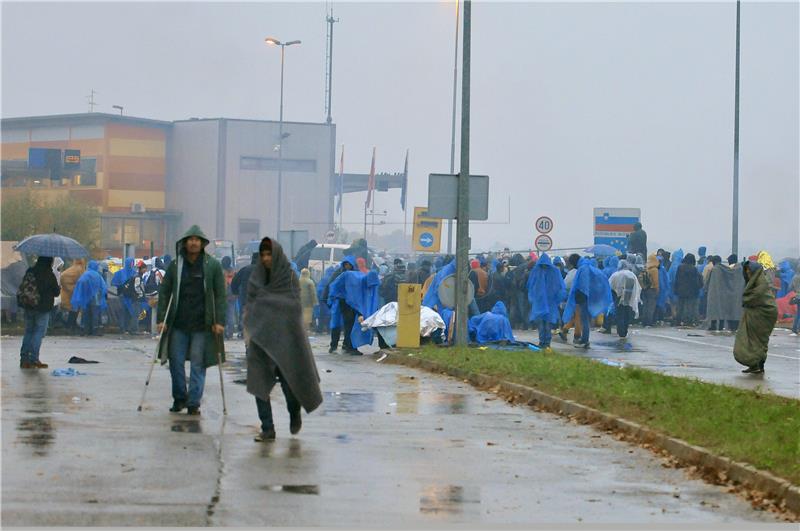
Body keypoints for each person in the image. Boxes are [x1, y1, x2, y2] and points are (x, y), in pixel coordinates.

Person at [243, 237, 323, 441]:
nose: (266, 258)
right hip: (260, 340)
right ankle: (267, 428)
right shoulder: (256, 277)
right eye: (263, 255)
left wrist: (272, 308)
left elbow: (294, 306)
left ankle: (294, 414)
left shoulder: (288, 277)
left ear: (276, 255)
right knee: (259, 386)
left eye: (269, 254)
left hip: (286, 340)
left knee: (290, 386)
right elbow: (251, 304)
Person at [156, 225, 226, 416]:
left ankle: (194, 402)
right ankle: (180, 398)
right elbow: (165, 292)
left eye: (197, 239)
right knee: (175, 362)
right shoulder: (175, 265)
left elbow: (220, 294)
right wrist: (162, 318)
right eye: (190, 239)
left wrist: (220, 320)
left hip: (202, 325)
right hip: (178, 323)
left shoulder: (212, 265)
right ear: (185, 242)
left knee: (198, 363)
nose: (194, 242)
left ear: (202, 243)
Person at [734, 260, 778, 374]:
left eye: (749, 270)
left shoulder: (761, 283)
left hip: (764, 313)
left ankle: (758, 364)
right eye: (746, 271)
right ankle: (754, 364)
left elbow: (754, 297)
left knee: (758, 340)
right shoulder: (753, 283)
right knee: (754, 340)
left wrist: (746, 299)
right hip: (757, 313)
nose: (748, 273)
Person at [17, 256, 61, 369]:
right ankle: (34, 359)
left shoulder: (30, 270)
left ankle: (24, 359)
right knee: (38, 333)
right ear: (49, 262)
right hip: (43, 308)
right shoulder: (49, 274)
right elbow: (56, 292)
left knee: (29, 331)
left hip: (29, 306)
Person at [560, 256, 612, 349]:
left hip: (584, 298)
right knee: (584, 320)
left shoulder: (583, 269)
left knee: (584, 320)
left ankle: (584, 340)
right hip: (591, 298)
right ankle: (583, 339)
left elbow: (580, 285)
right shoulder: (590, 268)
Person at [527, 253, 566, 350]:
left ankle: (546, 341)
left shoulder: (543, 271)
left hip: (547, 301)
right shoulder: (538, 271)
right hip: (544, 301)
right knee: (542, 322)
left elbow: (530, 285)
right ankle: (543, 341)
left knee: (546, 322)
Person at [323, 256, 356, 353]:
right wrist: (328, 300)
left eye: (349, 265)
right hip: (339, 302)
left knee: (349, 325)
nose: (347, 266)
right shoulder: (338, 273)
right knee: (336, 324)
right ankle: (333, 345)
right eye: (346, 264)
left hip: (349, 303)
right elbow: (330, 286)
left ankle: (347, 344)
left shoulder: (354, 274)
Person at [705, 256, 744, 332]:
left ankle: (715, 325)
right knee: (733, 310)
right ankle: (727, 326)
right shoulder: (740, 269)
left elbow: (707, 282)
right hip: (735, 294)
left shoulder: (716, 270)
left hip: (716, 293)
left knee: (716, 309)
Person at [71, 260, 108, 336]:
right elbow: (103, 287)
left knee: (86, 314)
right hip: (96, 299)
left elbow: (80, 283)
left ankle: (85, 330)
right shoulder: (98, 275)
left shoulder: (85, 274)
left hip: (86, 299)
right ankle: (94, 330)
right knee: (95, 315)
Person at [609, 260, 642, 340]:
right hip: (630, 298)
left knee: (620, 314)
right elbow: (638, 287)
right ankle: (625, 331)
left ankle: (621, 332)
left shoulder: (616, 275)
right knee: (627, 314)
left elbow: (610, 285)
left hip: (618, 297)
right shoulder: (632, 274)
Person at [231, 252, 259, 337]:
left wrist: (235, 292)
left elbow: (234, 282)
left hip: (246, 300)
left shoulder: (245, 269)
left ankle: (247, 340)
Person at [112, 258, 141, 334]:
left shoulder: (119, 273)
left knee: (124, 313)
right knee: (130, 313)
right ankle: (129, 328)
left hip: (124, 296)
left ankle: (123, 328)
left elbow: (114, 284)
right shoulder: (134, 273)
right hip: (130, 297)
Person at [673, 253, 703, 326]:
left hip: (681, 290)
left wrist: (676, 289)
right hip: (691, 291)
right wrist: (697, 289)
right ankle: (687, 321)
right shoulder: (694, 269)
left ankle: (678, 320)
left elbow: (676, 279)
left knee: (680, 307)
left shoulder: (680, 267)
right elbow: (696, 281)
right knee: (689, 307)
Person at [59, 258, 85, 335]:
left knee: (73, 309)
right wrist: (75, 288)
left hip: (68, 292)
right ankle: (70, 325)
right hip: (73, 293)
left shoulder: (73, 268)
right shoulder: (79, 269)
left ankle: (71, 325)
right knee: (74, 310)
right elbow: (81, 280)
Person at [639, 253, 660, 326]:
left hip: (645, 289)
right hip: (652, 289)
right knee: (651, 306)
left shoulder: (646, 268)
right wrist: (657, 290)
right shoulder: (654, 269)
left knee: (645, 306)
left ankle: (644, 321)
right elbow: (655, 281)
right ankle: (649, 322)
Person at [221, 256, 237, 339]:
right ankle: (229, 334)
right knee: (230, 316)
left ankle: (224, 334)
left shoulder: (219, 271)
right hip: (231, 297)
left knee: (223, 316)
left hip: (223, 297)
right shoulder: (233, 272)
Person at [790, 266, 800, 336]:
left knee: (798, 313)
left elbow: (790, 287)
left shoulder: (794, 277)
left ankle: (794, 329)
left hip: (797, 296)